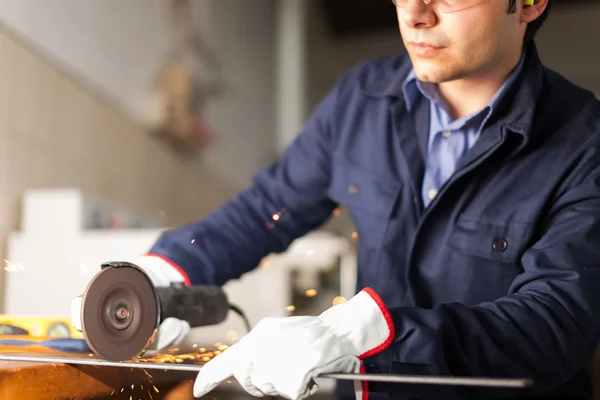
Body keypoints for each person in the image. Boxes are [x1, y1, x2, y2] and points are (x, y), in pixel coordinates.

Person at [72, 0, 600, 398]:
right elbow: (264, 211)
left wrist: (374, 334)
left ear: (528, 3)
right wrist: (158, 275)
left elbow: (556, 323)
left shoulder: (585, 142)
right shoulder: (361, 101)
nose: (416, 15)